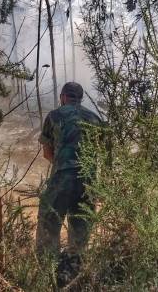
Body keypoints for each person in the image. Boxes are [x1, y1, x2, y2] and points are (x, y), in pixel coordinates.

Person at [36, 82, 102, 284]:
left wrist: (63, 162)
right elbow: (99, 152)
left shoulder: (54, 116)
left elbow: (47, 152)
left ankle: (48, 275)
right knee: (81, 227)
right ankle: (76, 274)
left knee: (49, 224)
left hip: (62, 178)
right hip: (88, 180)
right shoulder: (94, 118)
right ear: (80, 98)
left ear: (63, 96)